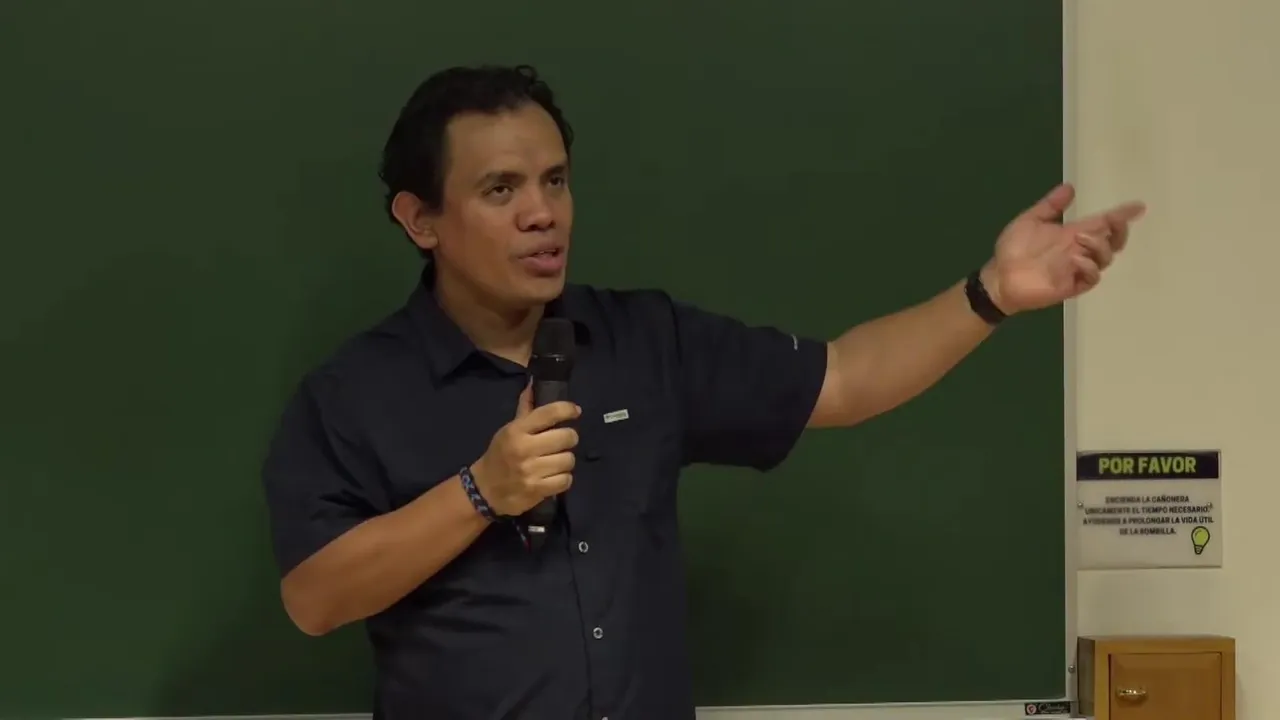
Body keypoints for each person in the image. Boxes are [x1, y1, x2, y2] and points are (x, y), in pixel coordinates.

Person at [260, 64, 1145, 719]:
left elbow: (845, 378)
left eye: (555, 180)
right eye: (501, 190)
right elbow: (314, 599)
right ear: (420, 219)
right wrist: (480, 491)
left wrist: (992, 293)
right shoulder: (354, 394)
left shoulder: (645, 340)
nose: (543, 214)